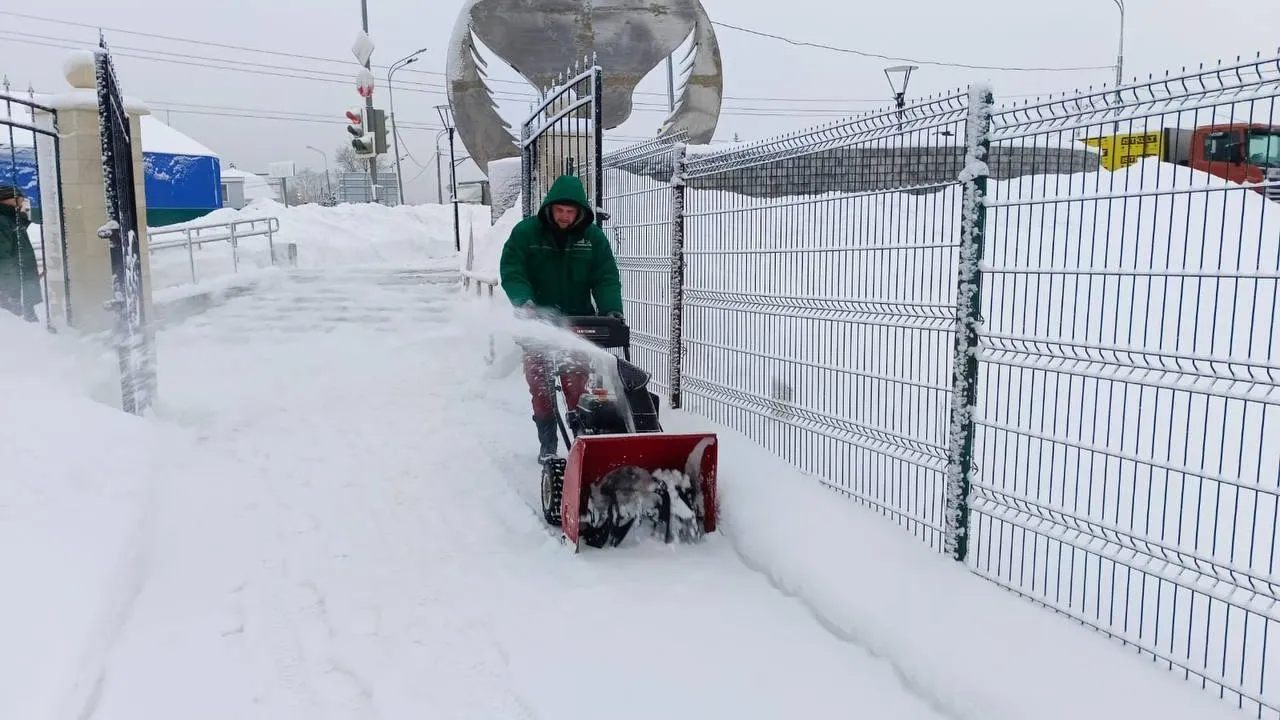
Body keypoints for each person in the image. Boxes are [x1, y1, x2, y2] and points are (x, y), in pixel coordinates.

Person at [499, 174, 624, 462]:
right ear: (550, 208)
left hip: (578, 324)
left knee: (576, 381)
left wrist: (610, 308)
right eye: (560, 211)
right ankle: (548, 444)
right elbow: (512, 270)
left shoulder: (592, 239)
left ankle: (582, 441)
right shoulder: (526, 234)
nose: (565, 217)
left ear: (580, 212)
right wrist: (524, 302)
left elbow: (605, 277)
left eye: (571, 212)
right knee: (540, 383)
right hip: (537, 324)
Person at [0, 184, 41, 322]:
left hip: (22, 289)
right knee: (17, 327)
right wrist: (8, 293)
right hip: (12, 293)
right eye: (19, 198)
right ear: (8, 199)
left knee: (28, 328)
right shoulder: (2, 221)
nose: (22, 201)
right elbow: (2, 259)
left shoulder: (11, 219)